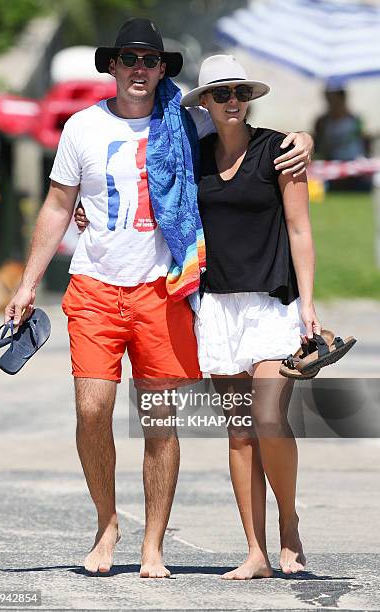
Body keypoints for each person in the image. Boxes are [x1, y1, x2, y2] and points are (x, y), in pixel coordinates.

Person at [6, 18, 314, 579]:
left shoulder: (188, 122)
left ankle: (153, 544)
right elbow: (56, 205)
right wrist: (27, 283)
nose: (140, 68)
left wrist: (305, 139)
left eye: (151, 60)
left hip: (164, 290)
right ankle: (107, 522)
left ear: (163, 70)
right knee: (92, 409)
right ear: (113, 67)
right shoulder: (81, 129)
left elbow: (244, 128)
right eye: (130, 59)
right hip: (95, 287)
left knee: (160, 419)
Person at [178, 54, 320, 579]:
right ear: (206, 104)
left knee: (267, 419)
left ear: (250, 98)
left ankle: (289, 525)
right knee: (239, 434)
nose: (232, 100)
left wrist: (308, 302)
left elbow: (300, 229)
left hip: (271, 303)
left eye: (239, 91)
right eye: (220, 94)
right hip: (215, 305)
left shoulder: (279, 150)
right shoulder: (192, 156)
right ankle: (256, 553)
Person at [314, 86, 371, 191]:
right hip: (332, 164)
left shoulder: (355, 120)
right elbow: (318, 143)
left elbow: (364, 140)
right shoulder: (322, 121)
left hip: (354, 164)